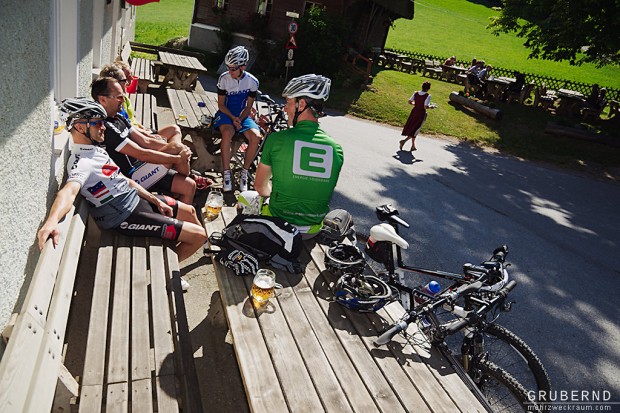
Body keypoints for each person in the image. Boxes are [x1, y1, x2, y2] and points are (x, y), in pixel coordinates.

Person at [37, 98, 207, 262]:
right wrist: (52, 220)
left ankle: (172, 258)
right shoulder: (82, 162)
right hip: (126, 217)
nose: (103, 127)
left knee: (190, 212)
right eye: (98, 123)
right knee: (199, 235)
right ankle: (167, 269)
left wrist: (156, 200)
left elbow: (125, 180)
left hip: (137, 202)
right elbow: (68, 191)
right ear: (80, 127)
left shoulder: (97, 151)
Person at [237, 74, 344, 239]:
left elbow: (260, 187)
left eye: (288, 102)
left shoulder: (277, 139)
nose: (285, 109)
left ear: (301, 104)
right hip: (312, 229)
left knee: (245, 197)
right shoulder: (336, 148)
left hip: (278, 224)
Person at [91, 77, 207, 205]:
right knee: (176, 149)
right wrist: (178, 158)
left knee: (189, 186)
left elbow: (146, 141)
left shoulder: (117, 117)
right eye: (119, 97)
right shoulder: (105, 126)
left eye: (123, 96)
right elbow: (141, 153)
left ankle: (181, 216)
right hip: (132, 177)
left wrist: (178, 149)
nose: (123, 100)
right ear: (102, 99)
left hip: (144, 168)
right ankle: (187, 176)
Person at [213, 46, 261, 192]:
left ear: (243, 67)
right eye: (228, 67)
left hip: (242, 115)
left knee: (256, 136)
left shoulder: (253, 82)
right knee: (227, 133)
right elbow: (221, 105)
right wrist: (233, 118)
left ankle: (244, 172)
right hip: (226, 113)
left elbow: (248, 107)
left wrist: (239, 119)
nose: (230, 71)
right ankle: (226, 173)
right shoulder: (224, 79)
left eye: (233, 69)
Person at [399, 81, 434, 152]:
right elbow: (425, 106)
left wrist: (416, 104)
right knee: (415, 129)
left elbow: (409, 101)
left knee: (413, 127)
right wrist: (431, 107)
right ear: (428, 88)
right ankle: (404, 141)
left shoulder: (416, 93)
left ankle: (413, 146)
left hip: (414, 112)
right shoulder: (428, 96)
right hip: (421, 113)